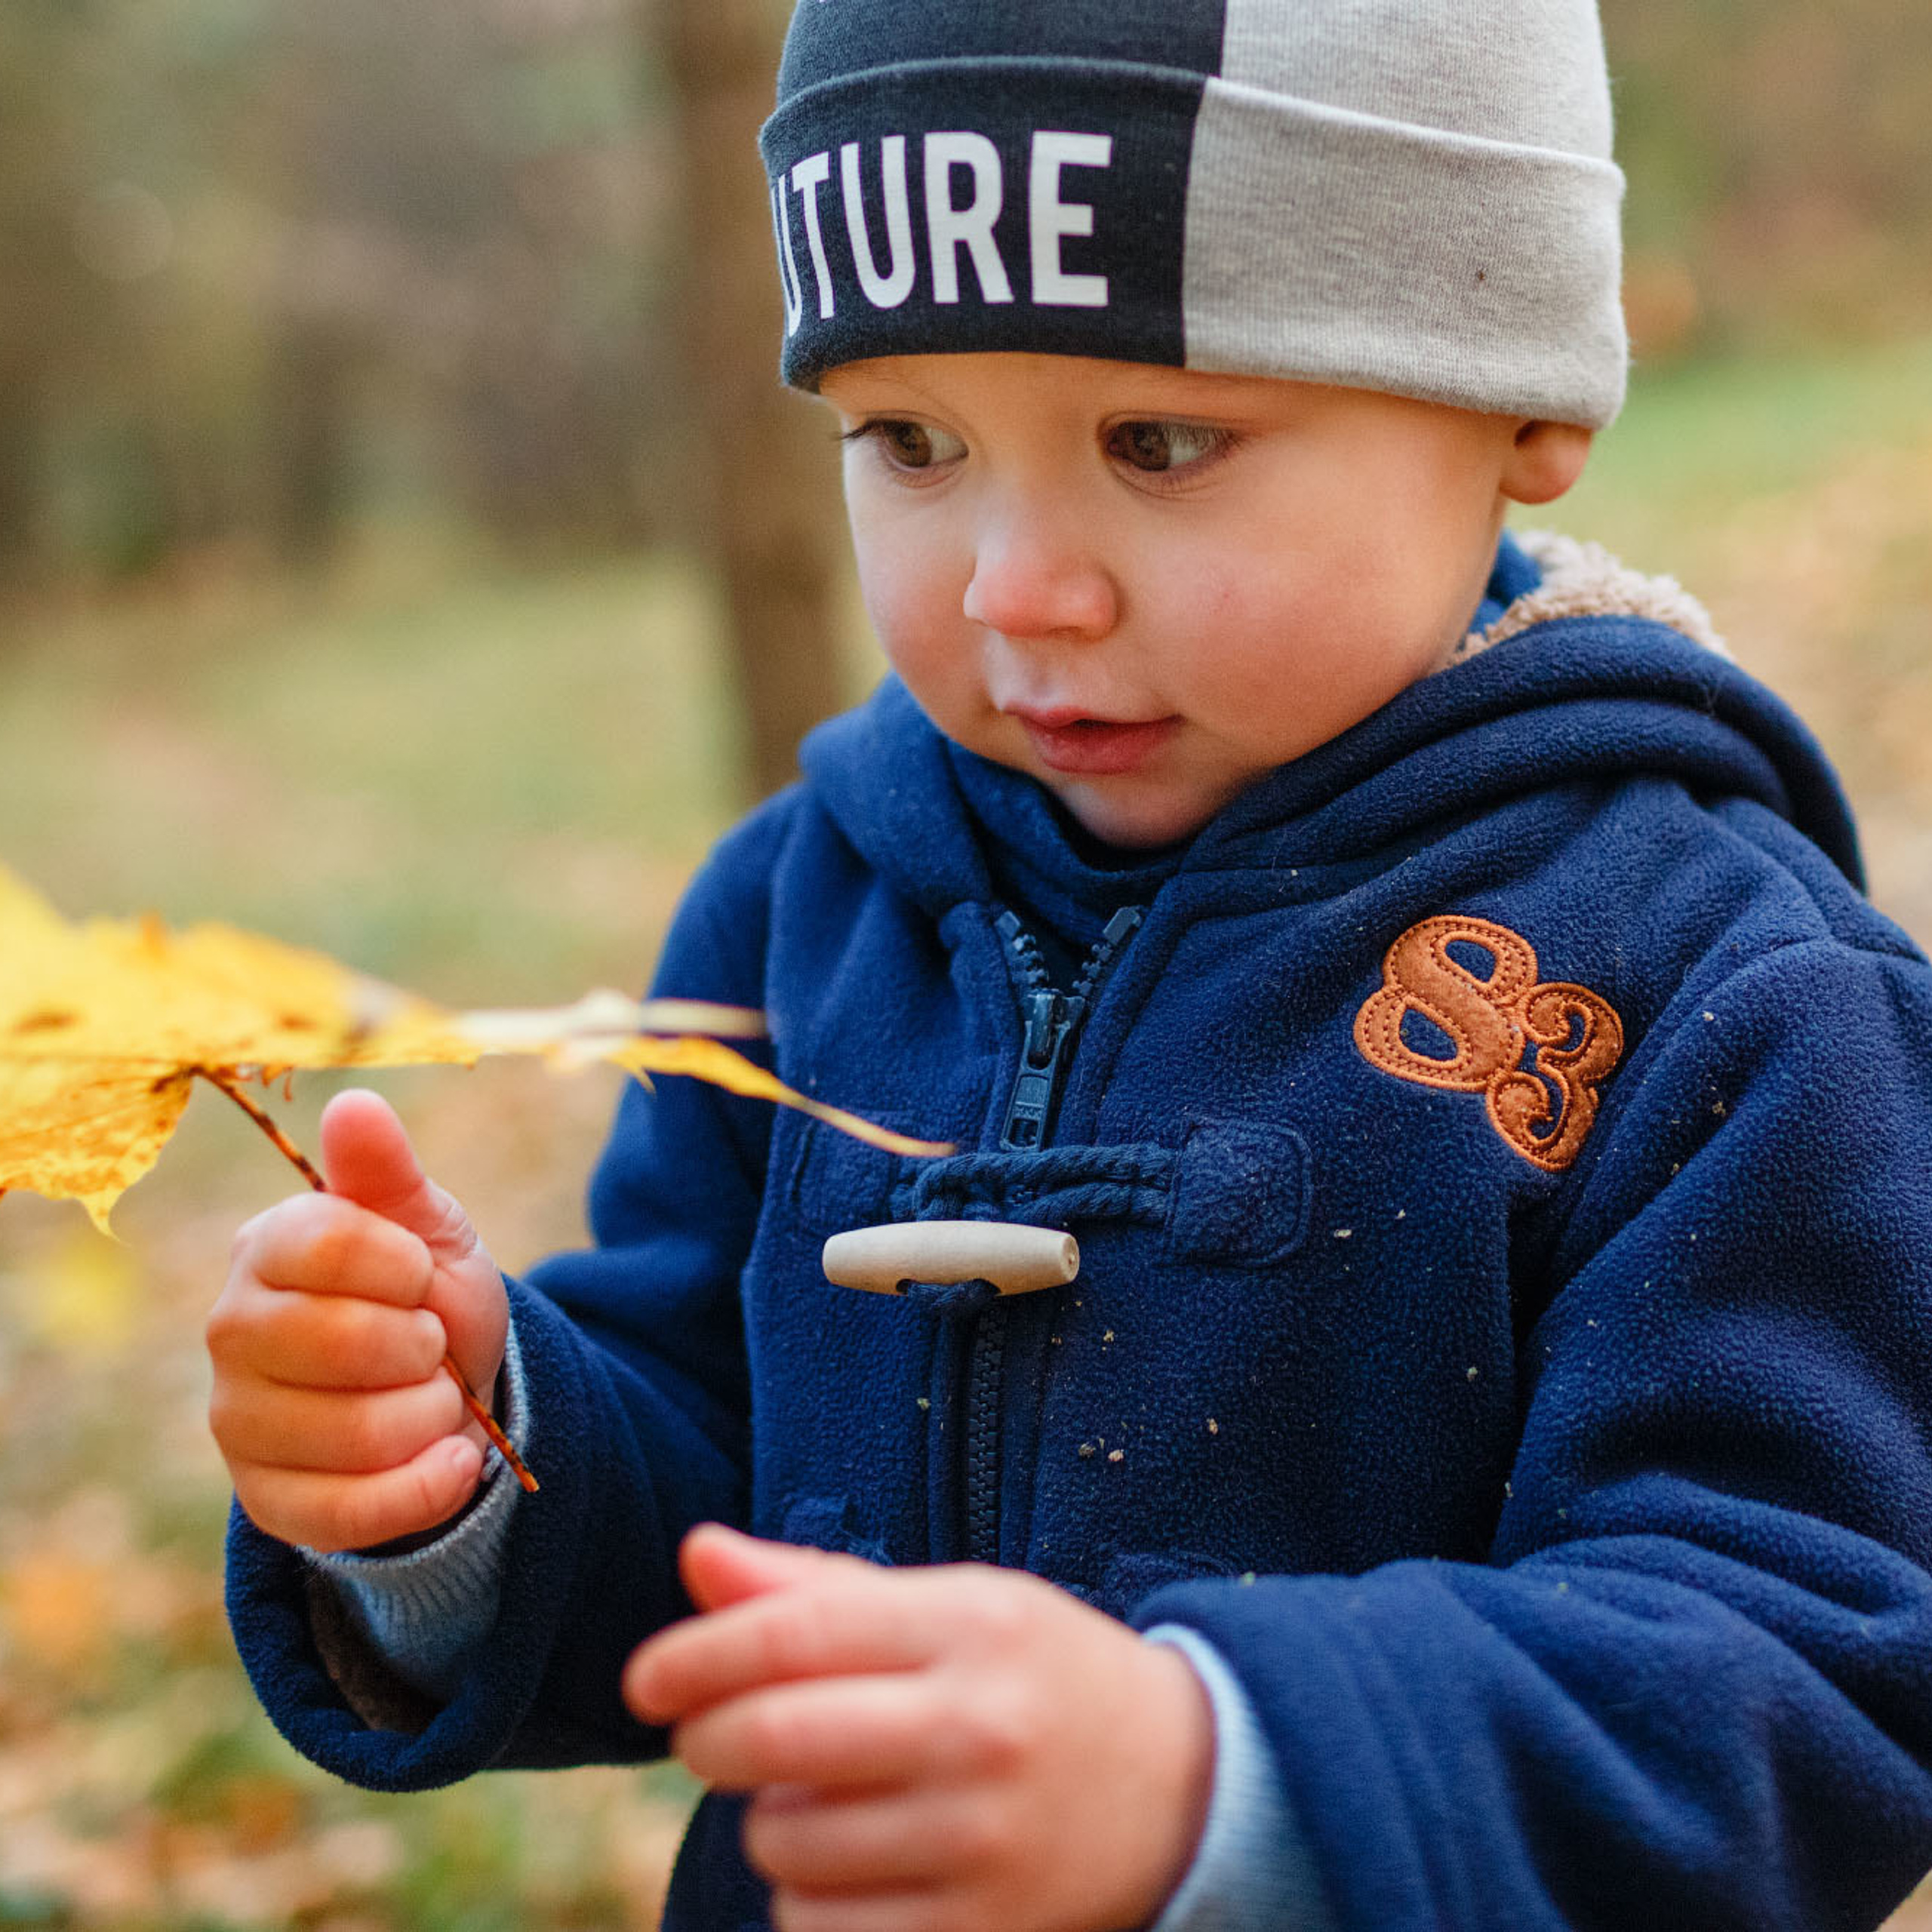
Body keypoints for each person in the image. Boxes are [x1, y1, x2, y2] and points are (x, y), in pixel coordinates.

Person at [206, 2, 1932, 1927]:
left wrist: (1216, 1772)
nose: (1013, 583)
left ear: (1516, 400)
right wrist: (456, 1468)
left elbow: (1799, 1663)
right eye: (910, 439)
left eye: (1159, 439)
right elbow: (703, 1481)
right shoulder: (811, 908)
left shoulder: (1721, 991)